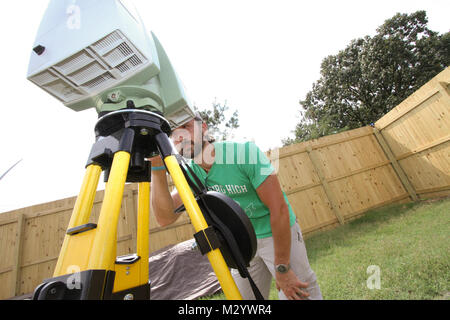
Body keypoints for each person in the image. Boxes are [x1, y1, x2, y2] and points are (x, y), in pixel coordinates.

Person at [149, 113, 322, 300]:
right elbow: (165, 218)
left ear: (204, 127)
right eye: (173, 132)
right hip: (241, 241)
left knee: (298, 293)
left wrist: (282, 266)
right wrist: (157, 169)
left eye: (186, 126)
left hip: (276, 232)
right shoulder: (190, 173)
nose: (179, 136)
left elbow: (278, 208)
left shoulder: (244, 153)